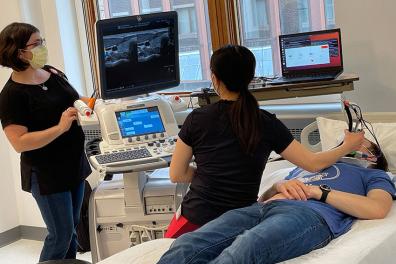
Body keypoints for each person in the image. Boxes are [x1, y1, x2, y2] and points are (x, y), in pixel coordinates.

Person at [164, 44, 365, 238]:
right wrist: (348, 145)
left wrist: (209, 175)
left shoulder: (197, 118)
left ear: (214, 79)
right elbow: (313, 163)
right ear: (250, 78)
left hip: (194, 220)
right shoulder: (266, 123)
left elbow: (176, 174)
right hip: (239, 223)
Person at [158, 139, 396, 264]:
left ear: (373, 159)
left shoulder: (374, 175)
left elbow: (377, 209)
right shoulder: (306, 168)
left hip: (309, 216)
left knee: (247, 246)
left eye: (355, 150)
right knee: (189, 243)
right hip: (262, 208)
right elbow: (263, 197)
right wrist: (277, 187)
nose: (346, 153)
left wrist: (318, 192)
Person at [0, 22, 91, 261]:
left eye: (42, 42)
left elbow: (76, 98)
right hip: (47, 174)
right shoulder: (11, 95)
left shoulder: (52, 72)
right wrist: (60, 127)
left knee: (71, 231)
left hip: (73, 164)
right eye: (37, 44)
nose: (43, 47)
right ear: (19, 52)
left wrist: (94, 105)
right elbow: (19, 142)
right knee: (59, 235)